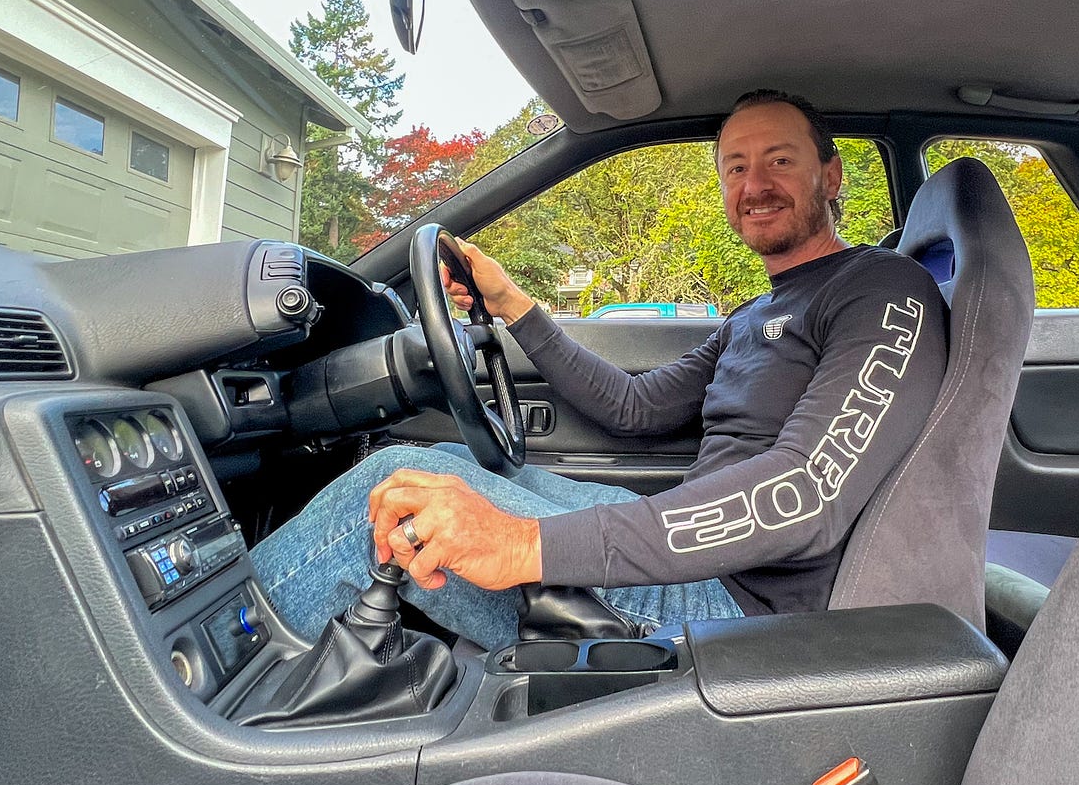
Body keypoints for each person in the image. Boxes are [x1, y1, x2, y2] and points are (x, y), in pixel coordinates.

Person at [250, 90, 947, 650]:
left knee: (385, 490)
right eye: (735, 167)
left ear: (830, 176)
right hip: (687, 557)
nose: (754, 184)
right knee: (421, 466)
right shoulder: (755, 312)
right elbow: (635, 409)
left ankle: (209, 675)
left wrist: (528, 543)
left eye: (779, 161)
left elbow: (801, 496)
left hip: (733, 608)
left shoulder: (879, 289)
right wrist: (512, 304)